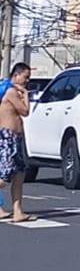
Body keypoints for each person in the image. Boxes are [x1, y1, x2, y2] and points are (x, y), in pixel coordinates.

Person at [0, 62, 32, 225]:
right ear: (16, 75)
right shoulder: (11, 92)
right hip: (8, 137)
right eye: (25, 77)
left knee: (19, 175)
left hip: (17, 138)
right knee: (4, 176)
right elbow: (25, 111)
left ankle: (17, 211)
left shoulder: (13, 91)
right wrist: (26, 94)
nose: (27, 80)